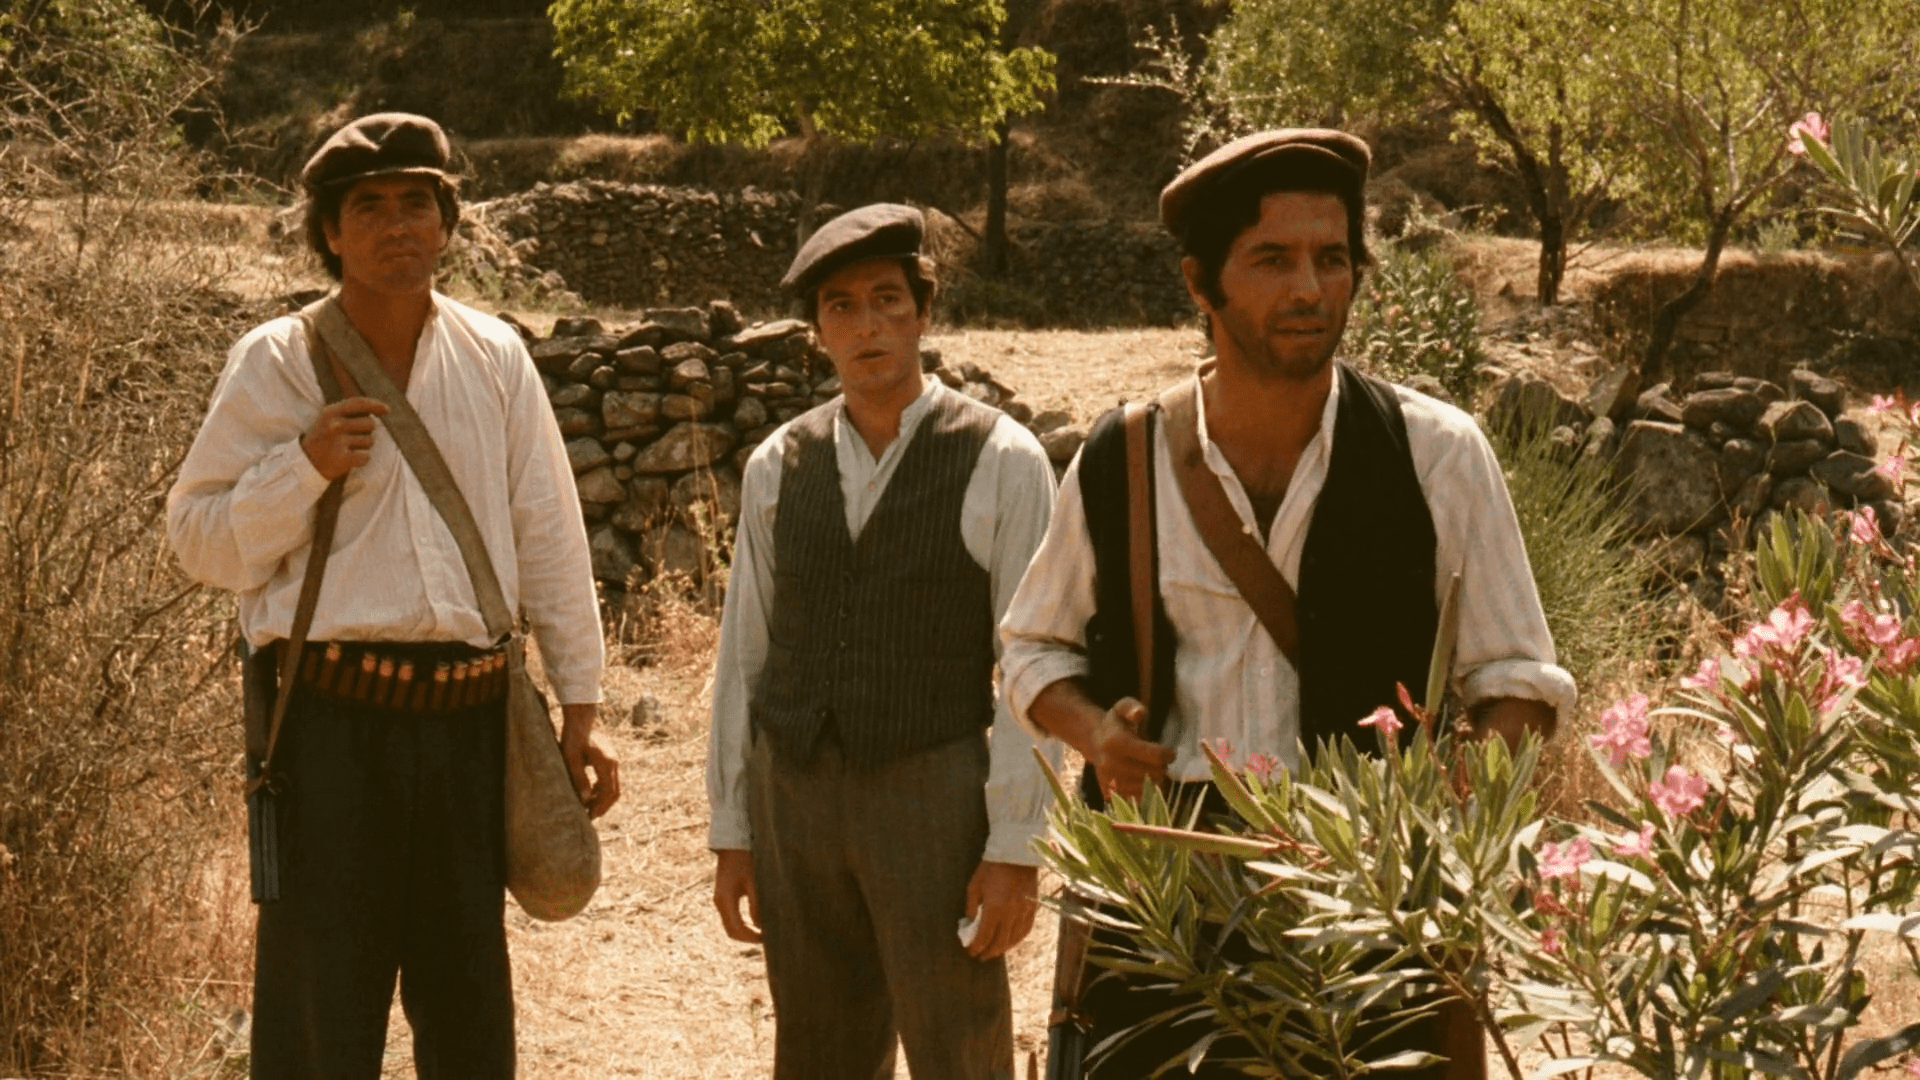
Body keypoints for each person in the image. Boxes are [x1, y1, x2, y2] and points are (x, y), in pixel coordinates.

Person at [999, 128, 1577, 1078]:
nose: (1310, 289)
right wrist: (1098, 735)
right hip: (1168, 911)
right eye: (1272, 259)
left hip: (1369, 914)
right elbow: (1033, 648)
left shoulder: (1437, 453)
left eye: (1331, 258)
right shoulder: (1124, 458)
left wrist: (1443, 828)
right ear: (1200, 283)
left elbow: (1517, 678)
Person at [166, 112, 619, 1079]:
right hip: (328, 733)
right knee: (320, 1024)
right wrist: (302, 467)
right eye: (368, 206)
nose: (397, 224)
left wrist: (580, 704)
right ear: (330, 232)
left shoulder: (495, 356)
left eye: (418, 202)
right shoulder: (276, 361)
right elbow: (197, 540)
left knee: (469, 1019)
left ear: (447, 224)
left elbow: (549, 533)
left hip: (468, 733)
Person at [705, 203, 1060, 1080]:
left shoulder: (1002, 459)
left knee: (959, 1045)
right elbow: (746, 656)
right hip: (796, 798)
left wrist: (1015, 848)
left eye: (887, 300)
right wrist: (734, 828)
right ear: (817, 329)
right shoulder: (778, 464)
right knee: (817, 1048)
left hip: (931, 794)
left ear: (923, 312)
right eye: (841, 307)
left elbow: (1036, 665)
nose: (867, 326)